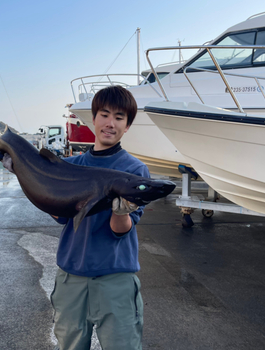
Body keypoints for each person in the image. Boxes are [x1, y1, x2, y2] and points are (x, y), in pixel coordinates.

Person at [51, 85, 149, 350]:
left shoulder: (136, 171)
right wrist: (27, 176)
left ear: (127, 126)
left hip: (115, 278)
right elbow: (61, 216)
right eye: (104, 114)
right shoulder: (73, 166)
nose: (110, 123)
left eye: (119, 118)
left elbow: (121, 231)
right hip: (71, 276)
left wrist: (121, 212)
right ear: (93, 118)